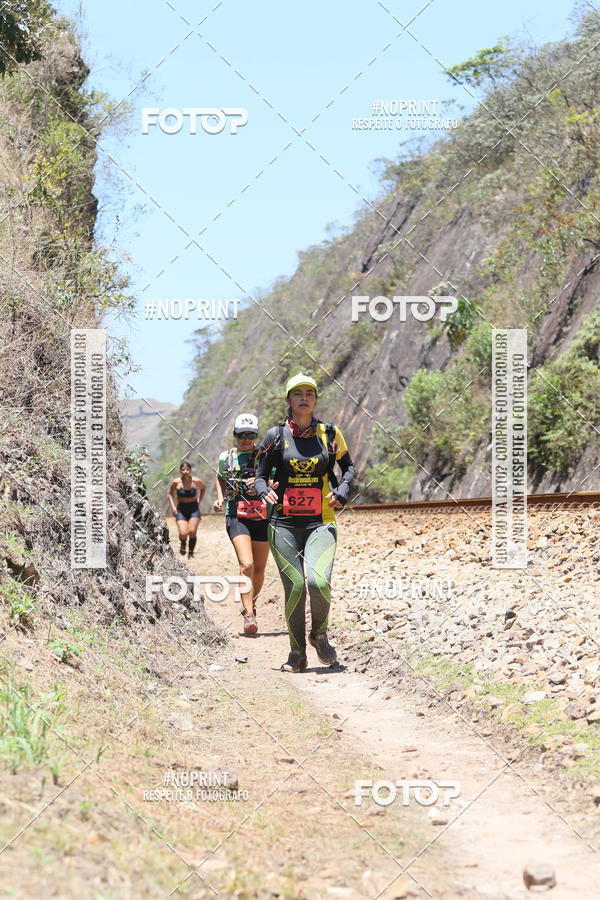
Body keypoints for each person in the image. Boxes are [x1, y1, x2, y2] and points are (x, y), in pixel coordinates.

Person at [253, 374, 356, 672]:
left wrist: (342, 491)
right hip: (282, 524)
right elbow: (259, 475)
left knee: (318, 581)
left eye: (309, 393)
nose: (304, 398)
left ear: (315, 399)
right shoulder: (275, 436)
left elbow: (348, 468)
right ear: (288, 400)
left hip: (320, 521)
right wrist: (262, 489)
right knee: (296, 586)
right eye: (297, 393)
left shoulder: (330, 433)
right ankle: (296, 653)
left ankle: (319, 635)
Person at [214, 414, 273, 636]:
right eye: (242, 435)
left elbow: (276, 480)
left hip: (262, 515)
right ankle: (249, 615)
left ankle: (251, 603)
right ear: (235, 435)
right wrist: (220, 497)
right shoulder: (226, 458)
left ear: (256, 435)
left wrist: (262, 483)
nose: (246, 439)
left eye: (251, 435)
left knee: (259, 569)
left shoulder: (265, 456)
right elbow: (219, 477)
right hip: (236, 516)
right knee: (246, 565)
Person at [168, 462, 206, 559]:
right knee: (183, 533)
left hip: (194, 509)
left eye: (187, 469)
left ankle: (191, 553)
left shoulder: (195, 481)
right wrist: (173, 507)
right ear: (180, 470)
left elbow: (203, 488)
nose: (185, 471)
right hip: (181, 509)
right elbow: (169, 494)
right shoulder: (176, 482)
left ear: (190, 470)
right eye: (183, 469)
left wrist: (199, 500)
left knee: (192, 531)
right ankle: (183, 543)